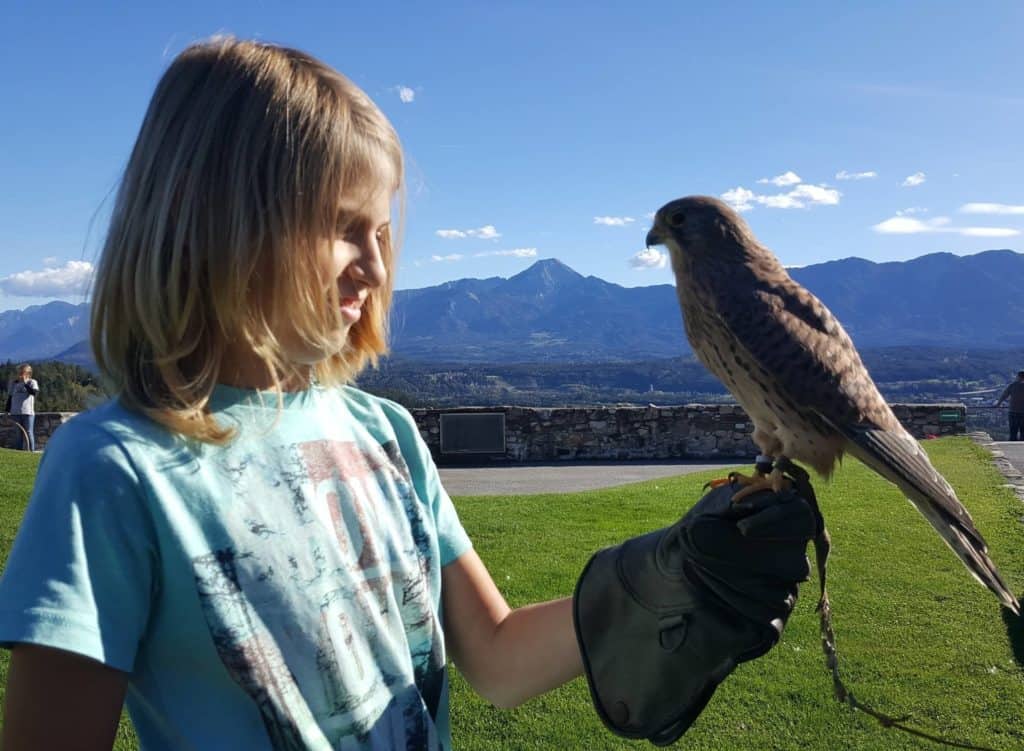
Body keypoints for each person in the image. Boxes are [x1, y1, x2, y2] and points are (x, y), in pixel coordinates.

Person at [0, 38, 812, 750]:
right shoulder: (113, 469)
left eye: (383, 232)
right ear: (221, 222)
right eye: (344, 226)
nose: (378, 265)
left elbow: (492, 655)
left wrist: (670, 571)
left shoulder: (384, 432)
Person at [6, 364, 39, 451]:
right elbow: (10, 397)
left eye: (22, 372)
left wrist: (25, 383)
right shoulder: (13, 383)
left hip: (28, 412)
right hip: (15, 412)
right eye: (19, 372)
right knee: (18, 434)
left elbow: (34, 393)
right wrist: (7, 410)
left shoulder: (32, 382)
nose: (20, 374)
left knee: (29, 433)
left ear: (28, 373)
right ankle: (19, 452)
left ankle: (31, 451)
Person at [994, 370, 1024, 441]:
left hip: (1013, 411)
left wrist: (998, 404)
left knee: (1013, 431)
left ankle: (1013, 446)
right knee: (1023, 432)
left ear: (1018, 377)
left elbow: (1004, 395)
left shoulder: (1012, 385)